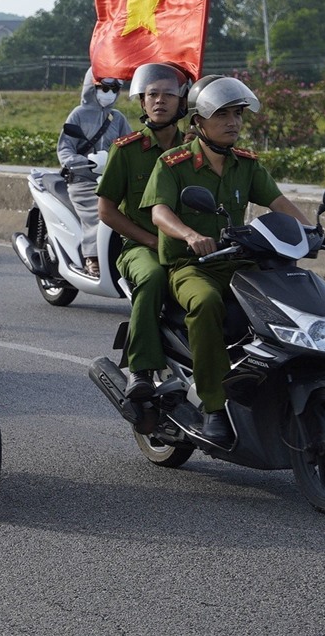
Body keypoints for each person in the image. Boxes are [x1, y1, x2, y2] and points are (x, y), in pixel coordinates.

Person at [140, 75, 325, 449]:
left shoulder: (246, 165)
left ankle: (270, 380)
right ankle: (214, 407)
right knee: (206, 303)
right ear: (199, 122)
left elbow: (279, 203)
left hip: (237, 261)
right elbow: (159, 212)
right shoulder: (174, 163)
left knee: (281, 296)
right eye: (222, 115)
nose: (233, 122)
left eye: (237, 114)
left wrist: (318, 232)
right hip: (191, 266)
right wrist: (189, 235)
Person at [93, 62, 192, 400]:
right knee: (151, 278)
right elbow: (106, 211)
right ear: (142, 101)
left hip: (192, 244)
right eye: (152, 94)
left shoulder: (197, 148)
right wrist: (151, 240)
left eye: (169, 94)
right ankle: (141, 370)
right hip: (141, 247)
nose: (160, 101)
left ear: (183, 102)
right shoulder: (126, 150)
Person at [57, 72, 133, 277]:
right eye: (104, 88)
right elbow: (64, 150)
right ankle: (92, 257)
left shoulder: (117, 118)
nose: (109, 94)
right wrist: (86, 162)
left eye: (114, 90)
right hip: (83, 181)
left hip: (110, 181)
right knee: (97, 214)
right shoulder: (78, 114)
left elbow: (130, 146)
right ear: (92, 87)